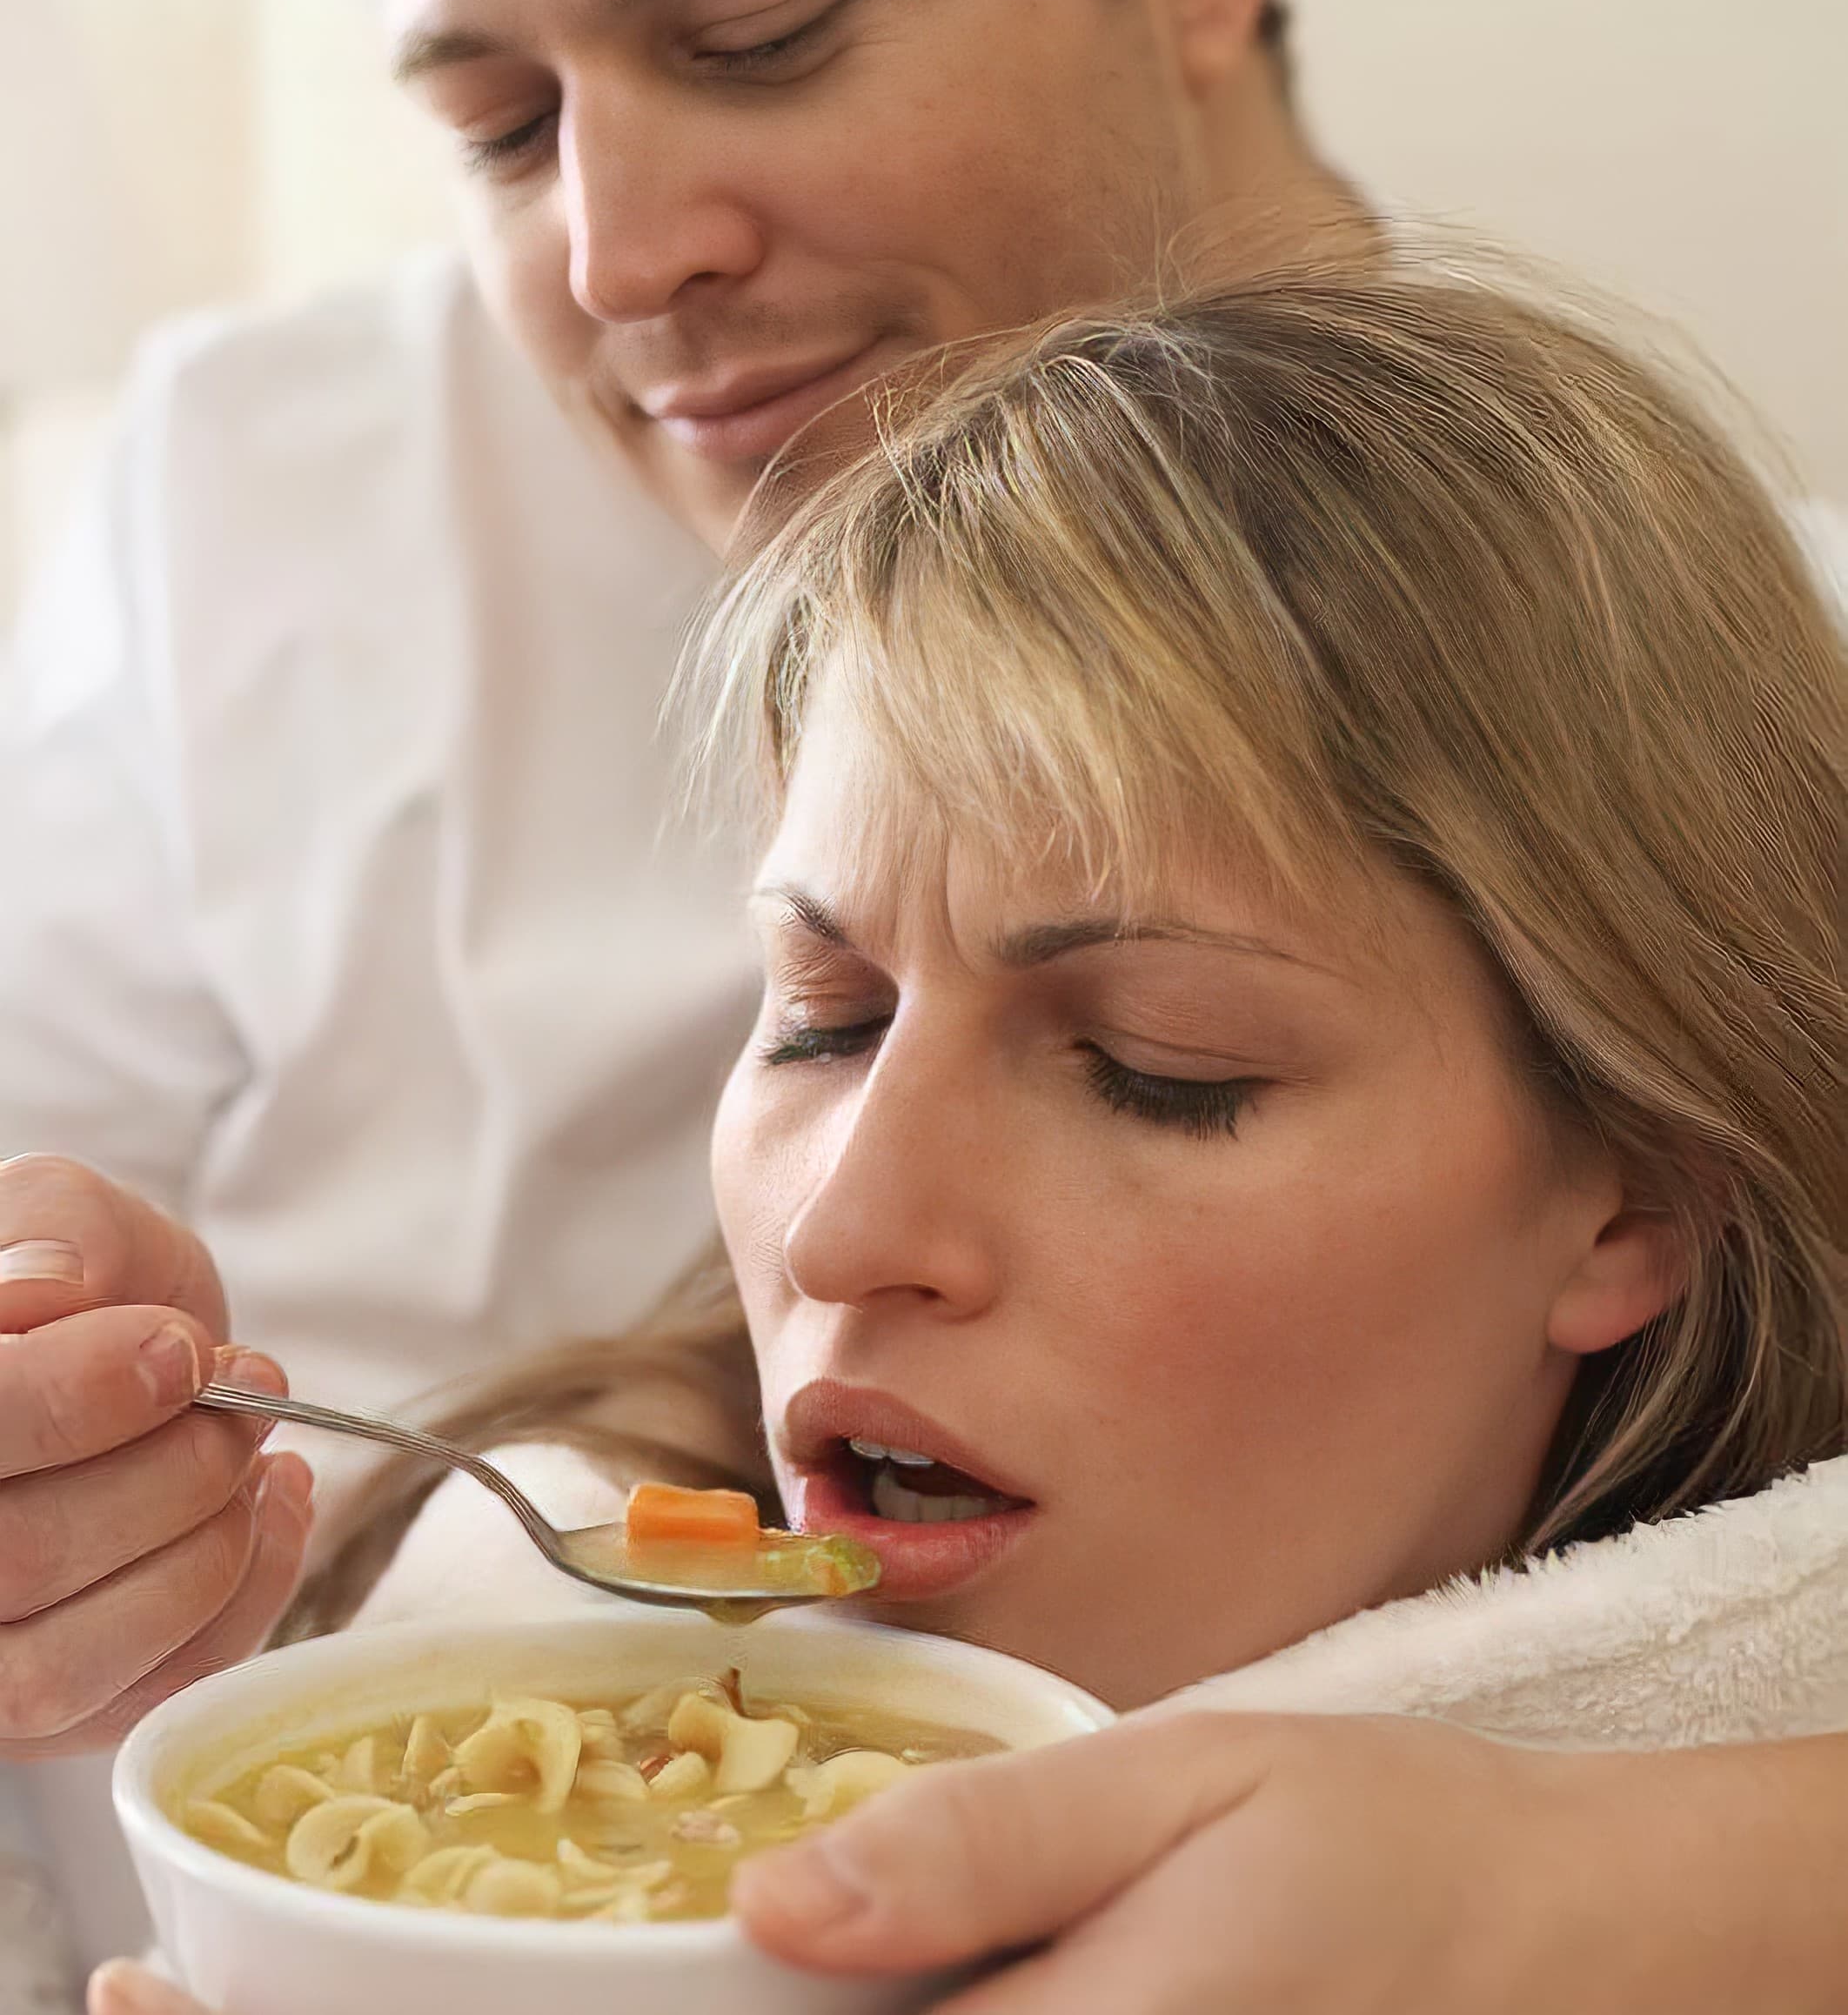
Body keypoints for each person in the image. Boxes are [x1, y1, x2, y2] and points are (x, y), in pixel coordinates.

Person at [86, 270, 1848, 2012]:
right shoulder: (431, 1705)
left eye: (1159, 1070)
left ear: (1634, 1203)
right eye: (823, 1019)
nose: (842, 1230)